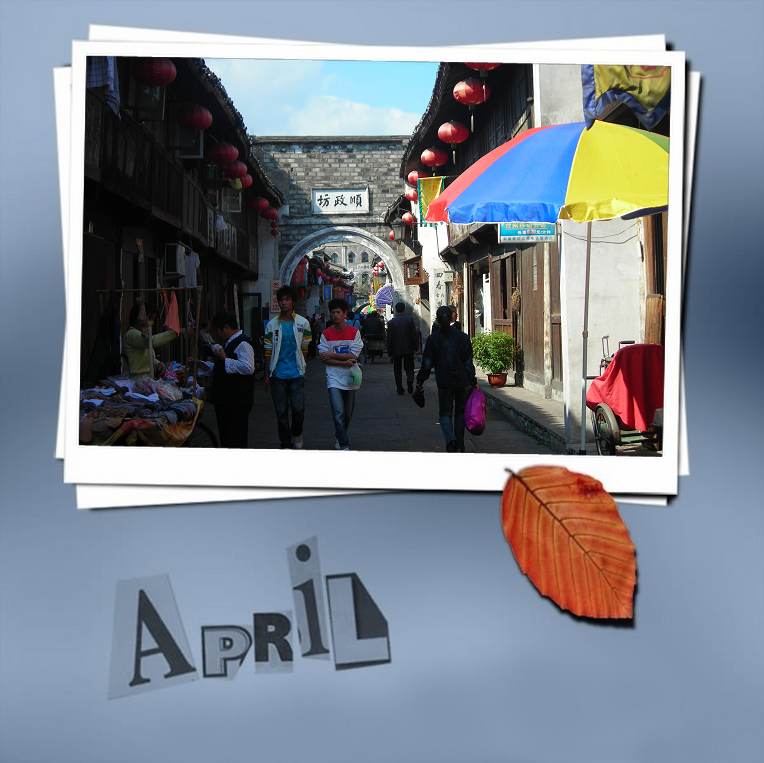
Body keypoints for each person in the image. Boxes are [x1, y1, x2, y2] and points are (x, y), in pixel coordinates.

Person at [415, 305, 477, 453]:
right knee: (460, 412)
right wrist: (472, 380)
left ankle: (450, 440)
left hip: (444, 380)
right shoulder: (463, 337)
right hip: (462, 380)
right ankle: (460, 444)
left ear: (437, 319)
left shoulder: (433, 339)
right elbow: (468, 362)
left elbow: (427, 363)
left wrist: (420, 380)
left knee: (445, 412)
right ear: (451, 318)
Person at [263, 286, 312, 449]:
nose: (283, 303)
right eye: (281, 300)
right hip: (277, 375)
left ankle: (297, 433)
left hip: (296, 373)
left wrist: (302, 366)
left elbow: (305, 347)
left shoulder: (303, 323)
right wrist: (266, 374)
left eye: (287, 299)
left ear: (293, 302)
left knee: (298, 409)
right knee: (281, 412)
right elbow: (267, 350)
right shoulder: (272, 325)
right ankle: (285, 442)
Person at [317, 298, 363, 450]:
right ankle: (344, 444)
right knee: (338, 412)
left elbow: (354, 356)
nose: (335, 315)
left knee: (347, 414)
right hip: (333, 378)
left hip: (351, 378)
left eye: (338, 312)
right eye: (333, 312)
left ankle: (340, 435)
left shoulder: (354, 333)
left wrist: (332, 354)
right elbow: (323, 358)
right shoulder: (326, 334)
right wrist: (343, 362)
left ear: (345, 314)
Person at [209, 311, 255, 449]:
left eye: (218, 331)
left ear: (226, 328)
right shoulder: (229, 342)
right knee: (227, 436)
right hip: (227, 400)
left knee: (235, 437)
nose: (218, 335)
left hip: (237, 400)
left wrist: (225, 359)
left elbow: (248, 367)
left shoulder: (242, 343)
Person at [123, 301, 178, 377]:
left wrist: (158, 363)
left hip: (146, 378)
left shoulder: (141, 335)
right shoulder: (131, 334)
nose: (152, 323)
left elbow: (145, 357)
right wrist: (174, 333)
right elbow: (151, 341)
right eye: (150, 318)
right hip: (137, 379)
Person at [386, 301, 418, 394]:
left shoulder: (391, 322)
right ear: (404, 309)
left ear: (396, 310)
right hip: (408, 348)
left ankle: (399, 388)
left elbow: (389, 338)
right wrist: (416, 347)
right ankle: (410, 383)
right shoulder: (410, 320)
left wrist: (389, 351)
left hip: (396, 350)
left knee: (397, 369)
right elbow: (414, 335)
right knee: (409, 368)